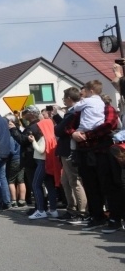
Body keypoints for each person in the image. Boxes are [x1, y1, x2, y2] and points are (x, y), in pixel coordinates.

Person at [54, 87, 87, 221]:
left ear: (68, 99)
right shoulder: (71, 112)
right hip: (66, 149)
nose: (64, 101)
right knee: (66, 181)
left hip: (70, 150)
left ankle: (83, 212)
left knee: (74, 181)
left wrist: (58, 122)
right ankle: (71, 208)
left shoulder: (74, 112)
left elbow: (59, 130)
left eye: (64, 99)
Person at [21, 105, 59, 220]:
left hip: (41, 162)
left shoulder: (44, 137)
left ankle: (41, 210)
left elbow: (40, 150)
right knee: (50, 186)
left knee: (35, 185)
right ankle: (53, 209)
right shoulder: (52, 136)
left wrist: (33, 142)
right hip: (48, 162)